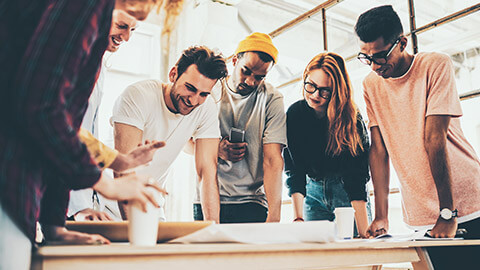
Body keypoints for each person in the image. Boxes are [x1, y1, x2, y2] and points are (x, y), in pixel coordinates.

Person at [0, 0, 162, 269]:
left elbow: (66, 125)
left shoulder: (91, 25)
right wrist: (107, 184)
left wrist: (54, 224)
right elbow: (41, 109)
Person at [355, 5, 480, 269]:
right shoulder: (371, 84)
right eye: (366, 58)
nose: (374, 66)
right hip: (418, 213)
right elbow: (378, 149)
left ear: (402, 42)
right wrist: (381, 216)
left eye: (379, 56)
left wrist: (447, 212)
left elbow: (434, 138)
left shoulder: (435, 64)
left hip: (466, 205)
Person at [111, 45, 227, 223]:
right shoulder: (138, 95)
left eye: (203, 94)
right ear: (173, 74)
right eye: (189, 88)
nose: (194, 100)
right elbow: (124, 169)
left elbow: (207, 172)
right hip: (109, 202)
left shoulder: (206, 107)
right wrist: (133, 230)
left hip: (151, 205)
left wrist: (214, 228)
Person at [193, 33, 286, 223]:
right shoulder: (210, 90)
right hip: (208, 197)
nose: (251, 81)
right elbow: (186, 142)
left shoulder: (272, 99)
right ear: (234, 61)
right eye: (246, 71)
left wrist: (275, 216)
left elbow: (273, 159)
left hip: (252, 202)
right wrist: (216, 149)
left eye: (260, 77)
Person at [284, 52, 370, 237]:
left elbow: (356, 176)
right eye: (311, 85)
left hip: (346, 192)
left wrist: (364, 232)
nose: (315, 95)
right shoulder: (295, 114)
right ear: (305, 77)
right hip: (311, 191)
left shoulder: (351, 120)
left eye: (325, 90)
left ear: (337, 90)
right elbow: (294, 169)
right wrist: (298, 217)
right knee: (316, 258)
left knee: (356, 253)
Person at [68, 9, 140, 222]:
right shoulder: (73, 57)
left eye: (133, 30)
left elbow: (85, 132)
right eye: (121, 26)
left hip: (80, 197)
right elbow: (62, 129)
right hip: (63, 199)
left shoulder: (99, 64)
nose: (126, 37)